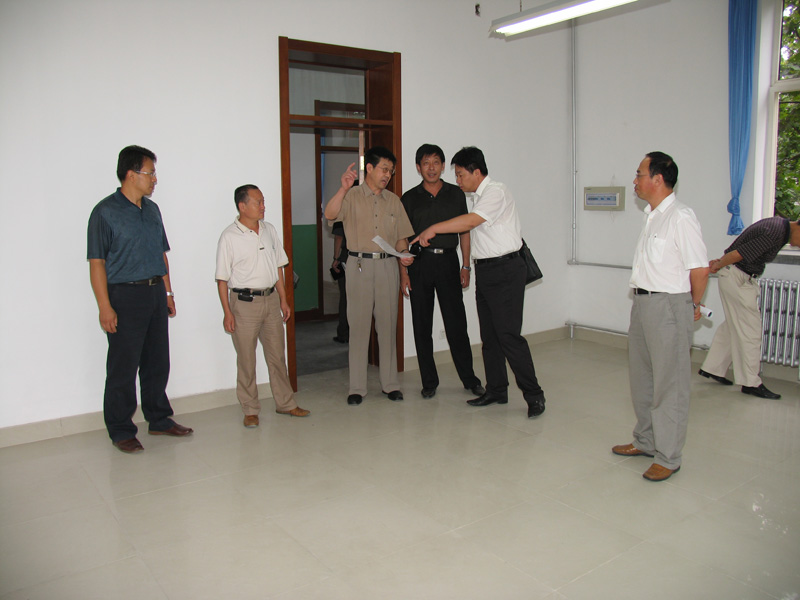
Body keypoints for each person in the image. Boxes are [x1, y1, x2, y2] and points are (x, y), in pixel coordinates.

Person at [411, 146, 545, 419]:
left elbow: (470, 222)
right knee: (490, 337)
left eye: (461, 175)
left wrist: (434, 228)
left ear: (476, 172)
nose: (458, 180)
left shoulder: (496, 191)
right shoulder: (478, 196)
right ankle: (497, 390)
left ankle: (534, 395)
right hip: (487, 271)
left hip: (505, 270)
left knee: (508, 336)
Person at [87, 145, 193, 454]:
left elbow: (161, 254)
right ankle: (121, 429)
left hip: (155, 292)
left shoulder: (153, 210)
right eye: (150, 173)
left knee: (157, 361)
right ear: (131, 174)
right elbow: (97, 263)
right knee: (123, 366)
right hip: (124, 295)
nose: (155, 179)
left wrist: (168, 292)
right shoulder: (105, 212)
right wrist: (105, 307)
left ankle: (159, 419)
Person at [612, 152, 709, 482]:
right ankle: (646, 440)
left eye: (639, 174)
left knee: (670, 384)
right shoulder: (652, 216)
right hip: (642, 303)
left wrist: (692, 304)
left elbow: (700, 269)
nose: (635, 180)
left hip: (669, 305)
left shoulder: (681, 217)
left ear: (657, 179)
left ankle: (669, 457)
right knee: (642, 378)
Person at [323, 147, 415, 406]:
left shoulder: (394, 201)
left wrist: (404, 256)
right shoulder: (351, 195)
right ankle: (357, 387)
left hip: (387, 266)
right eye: (384, 169)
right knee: (359, 327)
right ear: (370, 169)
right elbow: (330, 214)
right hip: (359, 265)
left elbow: (401, 237)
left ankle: (390, 384)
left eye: (391, 171)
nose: (388, 175)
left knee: (387, 326)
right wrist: (342, 188)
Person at [215, 185, 310, 426]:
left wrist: (283, 299)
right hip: (244, 304)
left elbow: (278, 267)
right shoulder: (229, 236)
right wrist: (227, 312)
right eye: (258, 202)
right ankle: (250, 410)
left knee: (277, 356)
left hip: (271, 300)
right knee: (247, 360)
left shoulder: (269, 230)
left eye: (263, 201)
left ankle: (286, 403)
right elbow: (222, 279)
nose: (263, 206)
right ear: (242, 206)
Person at [401, 144, 484, 399]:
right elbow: (402, 237)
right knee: (421, 325)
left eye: (436, 162)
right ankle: (429, 382)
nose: (431, 168)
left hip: (449, 262)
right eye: (426, 163)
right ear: (418, 167)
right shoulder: (409, 198)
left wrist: (466, 265)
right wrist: (403, 273)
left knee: (457, 324)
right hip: (419, 265)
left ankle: (469, 379)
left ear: (443, 166)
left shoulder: (456, 193)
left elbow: (465, 231)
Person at [699, 217, 800, 399]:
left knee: (733, 325)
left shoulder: (779, 228)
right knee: (750, 331)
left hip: (735, 274)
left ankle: (713, 368)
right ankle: (750, 383)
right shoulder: (775, 232)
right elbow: (738, 254)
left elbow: (739, 251)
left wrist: (720, 263)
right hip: (737, 277)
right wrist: (718, 265)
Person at [330, 221, 349, 344]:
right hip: (362, 260)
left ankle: (344, 333)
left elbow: (338, 237)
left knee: (345, 298)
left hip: (345, 259)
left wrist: (336, 258)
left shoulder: (340, 217)